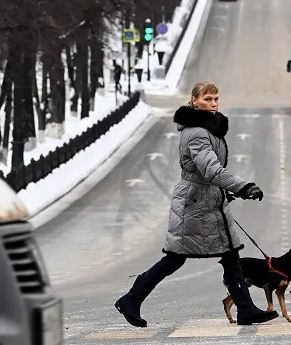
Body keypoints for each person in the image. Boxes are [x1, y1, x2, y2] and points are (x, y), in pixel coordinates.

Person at [114, 81, 278, 328]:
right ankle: (131, 298)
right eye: (207, 99)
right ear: (193, 101)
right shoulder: (197, 133)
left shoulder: (208, 129)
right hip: (194, 204)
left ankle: (246, 310)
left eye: (215, 99)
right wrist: (241, 186)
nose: (213, 104)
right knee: (175, 258)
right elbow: (211, 169)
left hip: (207, 201)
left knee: (231, 255)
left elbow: (208, 173)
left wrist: (224, 191)